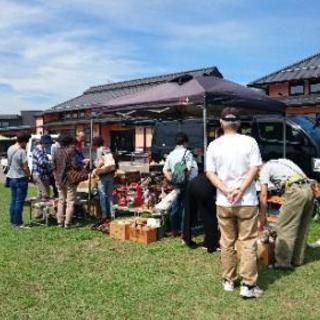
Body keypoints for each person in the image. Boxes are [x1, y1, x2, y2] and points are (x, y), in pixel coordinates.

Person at [206, 107, 263, 299]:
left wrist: (227, 190)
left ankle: (228, 281)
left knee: (227, 241)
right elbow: (255, 168)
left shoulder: (214, 145)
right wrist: (239, 189)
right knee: (247, 243)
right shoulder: (250, 142)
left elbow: (210, 173)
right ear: (238, 123)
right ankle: (247, 285)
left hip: (224, 201)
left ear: (221, 123)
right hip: (246, 200)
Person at [259, 159, 314, 268]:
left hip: (295, 190)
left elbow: (263, 195)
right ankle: (297, 259)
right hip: (309, 189)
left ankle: (282, 263)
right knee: (302, 226)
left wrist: (263, 216)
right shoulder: (284, 161)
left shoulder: (264, 169)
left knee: (285, 227)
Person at [163, 132, 194, 237]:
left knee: (175, 207)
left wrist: (173, 180)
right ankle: (184, 231)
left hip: (175, 184)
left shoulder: (171, 154)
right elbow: (189, 169)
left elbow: (165, 170)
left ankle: (174, 231)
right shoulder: (187, 153)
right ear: (185, 142)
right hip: (185, 184)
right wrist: (184, 177)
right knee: (185, 208)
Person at [183, 173, 219, 252]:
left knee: (189, 212)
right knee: (210, 214)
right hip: (205, 185)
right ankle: (210, 244)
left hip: (193, 182)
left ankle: (186, 237)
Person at [52, 135, 79, 228]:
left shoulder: (55, 152)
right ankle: (67, 223)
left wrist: (56, 177)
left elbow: (53, 166)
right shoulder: (70, 152)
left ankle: (59, 222)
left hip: (59, 180)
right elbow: (75, 165)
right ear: (69, 143)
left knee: (61, 201)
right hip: (69, 180)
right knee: (70, 201)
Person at [6, 132, 31, 229]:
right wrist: (29, 175)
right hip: (21, 178)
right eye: (27, 142)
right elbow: (25, 167)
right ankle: (18, 223)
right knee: (19, 202)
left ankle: (13, 221)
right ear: (24, 141)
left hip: (12, 178)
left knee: (13, 200)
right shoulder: (22, 151)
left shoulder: (10, 148)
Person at [92, 136, 116, 225]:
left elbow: (101, 161)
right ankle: (112, 214)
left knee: (103, 195)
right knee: (110, 195)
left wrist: (96, 169)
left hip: (103, 174)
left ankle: (104, 215)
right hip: (110, 173)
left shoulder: (99, 150)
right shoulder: (107, 148)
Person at [32, 135, 53, 218]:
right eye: (48, 143)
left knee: (41, 194)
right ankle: (45, 214)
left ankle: (39, 213)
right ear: (43, 143)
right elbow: (41, 162)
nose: (49, 145)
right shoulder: (37, 150)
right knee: (45, 194)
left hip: (43, 175)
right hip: (38, 175)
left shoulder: (43, 150)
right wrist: (51, 162)